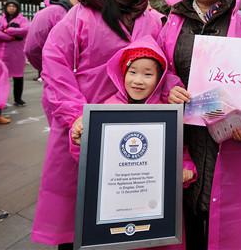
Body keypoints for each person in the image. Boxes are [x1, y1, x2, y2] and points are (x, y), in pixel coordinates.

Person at [32, 0, 163, 249]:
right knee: (75, 202)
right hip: (84, 120)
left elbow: (163, 63)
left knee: (124, 200)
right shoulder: (81, 14)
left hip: (133, 123)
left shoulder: (153, 20)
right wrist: (76, 114)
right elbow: (54, 61)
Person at [159, 0, 241, 250]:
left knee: (222, 209)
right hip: (184, 125)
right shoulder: (171, 21)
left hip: (228, 130)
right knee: (185, 199)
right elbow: (158, 63)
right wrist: (170, 87)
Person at [70, 38, 197, 250]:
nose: (138, 80)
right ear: (122, 74)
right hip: (115, 212)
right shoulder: (106, 110)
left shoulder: (167, 114)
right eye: (132, 72)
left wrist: (187, 170)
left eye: (148, 74)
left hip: (156, 214)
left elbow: (179, 151)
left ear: (159, 78)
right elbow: (89, 163)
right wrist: (79, 139)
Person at [25, 0, 92, 73]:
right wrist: (51, 70)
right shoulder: (50, 13)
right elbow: (32, 49)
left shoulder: (93, 15)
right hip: (58, 77)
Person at [0, 0, 30, 106]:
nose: (12, 8)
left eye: (14, 6)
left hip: (17, 53)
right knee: (1, 78)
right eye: (9, 6)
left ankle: (18, 99)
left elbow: (26, 30)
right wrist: (13, 37)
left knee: (18, 76)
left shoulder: (23, 19)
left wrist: (8, 30)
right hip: (2, 54)